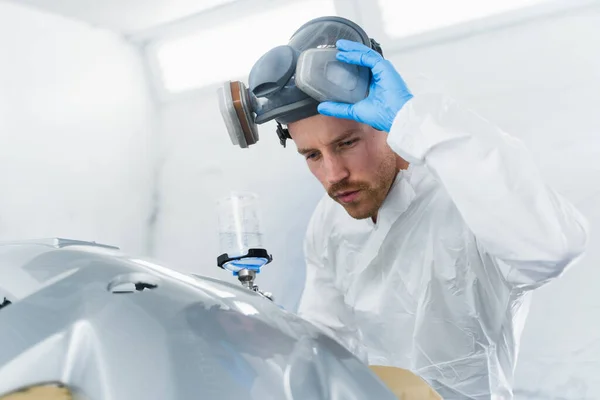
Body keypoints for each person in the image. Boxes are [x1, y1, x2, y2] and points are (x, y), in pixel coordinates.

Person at [283, 22, 590, 400]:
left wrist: (416, 118)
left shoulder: (464, 196)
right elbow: (326, 341)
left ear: (386, 122)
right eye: (312, 155)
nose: (333, 175)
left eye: (346, 143)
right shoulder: (328, 219)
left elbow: (552, 249)